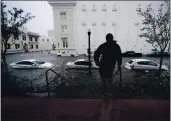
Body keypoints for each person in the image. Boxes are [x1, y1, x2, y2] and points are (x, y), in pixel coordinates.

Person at [94, 33, 122, 98]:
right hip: (106, 66)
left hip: (106, 66)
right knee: (107, 80)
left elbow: (96, 54)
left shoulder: (106, 46)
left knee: (106, 80)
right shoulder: (115, 46)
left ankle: (106, 93)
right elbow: (119, 57)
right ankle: (106, 93)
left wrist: (97, 62)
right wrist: (119, 65)